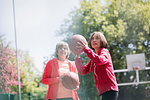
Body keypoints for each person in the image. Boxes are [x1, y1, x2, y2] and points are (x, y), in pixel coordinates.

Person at [74, 32, 118, 100]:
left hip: (110, 89)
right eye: (92, 39)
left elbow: (100, 60)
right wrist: (77, 57)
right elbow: (83, 71)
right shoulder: (93, 60)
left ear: (102, 41)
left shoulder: (104, 52)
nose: (94, 40)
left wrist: (86, 49)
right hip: (104, 91)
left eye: (97, 38)